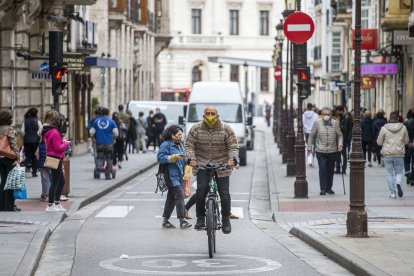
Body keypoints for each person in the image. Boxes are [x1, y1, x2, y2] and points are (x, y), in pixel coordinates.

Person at [185, 106, 239, 234]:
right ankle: (200, 218)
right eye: (207, 114)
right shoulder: (196, 129)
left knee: (224, 194)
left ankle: (225, 219)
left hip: (222, 164)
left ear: (217, 115)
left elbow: (233, 146)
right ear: (203, 116)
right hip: (202, 163)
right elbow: (189, 145)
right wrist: (191, 158)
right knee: (201, 190)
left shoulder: (226, 129)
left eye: (212, 113)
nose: (210, 116)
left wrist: (232, 159)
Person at [157, 125, 192, 229]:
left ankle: (165, 221)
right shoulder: (166, 145)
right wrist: (173, 157)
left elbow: (184, 158)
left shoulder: (181, 144)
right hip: (170, 176)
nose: (180, 137)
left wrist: (189, 161)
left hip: (179, 175)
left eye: (181, 134)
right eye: (178, 135)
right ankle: (182, 221)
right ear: (172, 135)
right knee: (179, 196)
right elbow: (160, 157)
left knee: (171, 199)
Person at [307, 107, 343, 195]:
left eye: (328, 114)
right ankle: (323, 188)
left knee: (330, 170)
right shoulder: (317, 123)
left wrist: (340, 144)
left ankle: (329, 188)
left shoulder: (335, 123)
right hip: (320, 150)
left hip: (332, 150)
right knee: (322, 169)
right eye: (324, 114)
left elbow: (340, 135)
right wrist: (309, 147)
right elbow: (312, 135)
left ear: (330, 115)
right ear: (322, 115)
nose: (326, 116)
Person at [377, 111, 409, 198]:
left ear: (389, 118)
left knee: (389, 174)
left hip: (388, 154)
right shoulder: (403, 128)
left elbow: (379, 142)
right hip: (399, 153)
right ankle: (398, 183)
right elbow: (406, 141)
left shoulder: (384, 128)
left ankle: (393, 193)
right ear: (398, 118)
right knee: (399, 172)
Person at [43, 114, 71, 212]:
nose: (63, 125)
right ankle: (50, 205)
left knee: (61, 181)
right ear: (59, 123)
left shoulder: (51, 131)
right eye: (63, 123)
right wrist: (66, 143)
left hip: (55, 157)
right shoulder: (54, 132)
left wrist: (62, 142)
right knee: (55, 181)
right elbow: (58, 148)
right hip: (55, 157)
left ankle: (57, 203)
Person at [90, 108, 118, 180]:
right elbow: (116, 133)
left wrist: (93, 137)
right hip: (109, 143)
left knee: (100, 157)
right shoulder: (112, 122)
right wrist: (114, 138)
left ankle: (98, 168)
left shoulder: (96, 121)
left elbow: (91, 132)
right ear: (108, 114)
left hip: (99, 143)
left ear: (101, 113)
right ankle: (107, 175)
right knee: (109, 159)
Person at [0, 110, 20, 211]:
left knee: (3, 181)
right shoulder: (9, 129)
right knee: (10, 182)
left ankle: (1, 206)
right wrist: (18, 157)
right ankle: (9, 206)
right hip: (8, 157)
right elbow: (13, 144)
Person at [38, 110, 60, 202]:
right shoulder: (55, 128)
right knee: (53, 175)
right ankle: (53, 194)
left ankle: (45, 194)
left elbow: (39, 137)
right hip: (51, 152)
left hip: (42, 151)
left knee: (44, 176)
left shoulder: (42, 127)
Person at [21, 107, 42, 177]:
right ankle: (34, 172)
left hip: (27, 141)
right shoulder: (38, 121)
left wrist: (26, 136)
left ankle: (22, 168)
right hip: (36, 141)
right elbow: (41, 131)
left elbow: (22, 132)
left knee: (28, 156)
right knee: (35, 156)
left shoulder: (25, 121)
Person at [335, 106, 353, 174]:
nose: (337, 113)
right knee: (337, 154)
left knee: (343, 154)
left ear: (341, 111)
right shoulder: (342, 117)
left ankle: (343, 169)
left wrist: (338, 122)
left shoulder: (346, 118)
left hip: (344, 138)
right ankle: (338, 169)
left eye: (338, 111)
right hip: (338, 138)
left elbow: (345, 129)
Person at [404, 108, 414, 185]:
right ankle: (413, 178)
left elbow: (403, 134)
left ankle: (407, 172)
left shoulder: (406, 122)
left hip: (408, 143)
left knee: (407, 159)